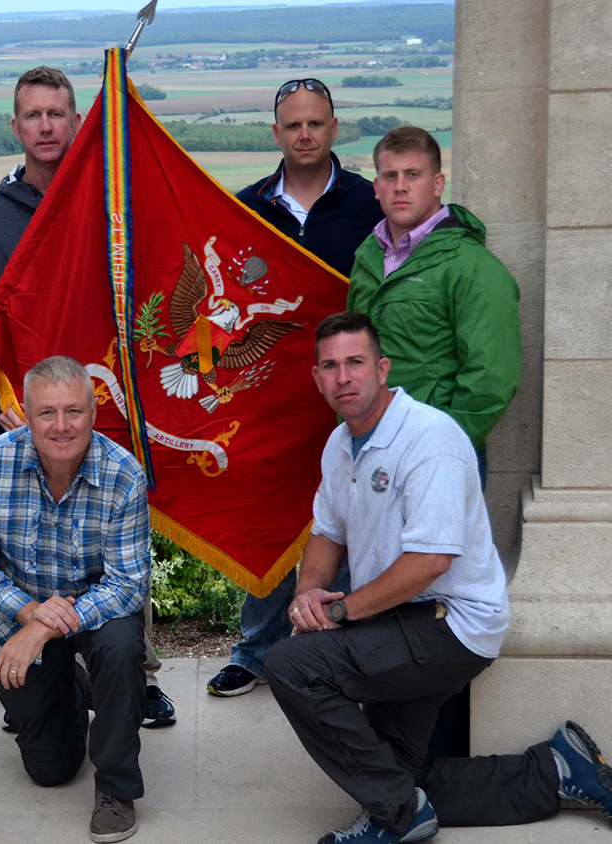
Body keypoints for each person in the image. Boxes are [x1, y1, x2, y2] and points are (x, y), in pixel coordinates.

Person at [266, 313, 612, 844]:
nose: (343, 376)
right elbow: (326, 533)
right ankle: (557, 771)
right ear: (317, 378)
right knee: (394, 778)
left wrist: (340, 614)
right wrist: (307, 594)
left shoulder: (428, 437)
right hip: (399, 620)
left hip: (451, 625)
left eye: (355, 362)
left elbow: (430, 562)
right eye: (330, 366)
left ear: (382, 368)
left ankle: (398, 812)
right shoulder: (339, 444)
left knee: (290, 664)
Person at [0, 66, 176, 729]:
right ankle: (25, 675)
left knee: (119, 550)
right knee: (26, 547)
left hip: (107, 402)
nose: (47, 126)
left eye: (58, 113)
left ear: (78, 122)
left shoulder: (109, 200)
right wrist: (0, 396)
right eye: (34, 115)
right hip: (31, 416)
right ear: (16, 127)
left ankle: (135, 676)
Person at [346, 125, 523, 754]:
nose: (400, 187)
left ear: (438, 182)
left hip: (434, 461)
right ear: (376, 183)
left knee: (432, 600)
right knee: (382, 591)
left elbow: (492, 377)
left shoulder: (471, 267)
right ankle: (394, 752)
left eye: (412, 175)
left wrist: (439, 449)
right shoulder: (371, 256)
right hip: (372, 456)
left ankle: (438, 757)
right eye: (389, 176)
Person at [207, 77, 386, 699]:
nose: (305, 134)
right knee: (270, 516)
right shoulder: (245, 208)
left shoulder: (371, 204)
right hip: (268, 396)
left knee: (357, 514)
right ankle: (255, 649)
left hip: (352, 391)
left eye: (316, 123)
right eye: (293, 125)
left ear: (335, 129)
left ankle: (345, 644)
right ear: (275, 133)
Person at [0, 356, 150, 843]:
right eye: (46, 413)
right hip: (25, 610)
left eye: (74, 411)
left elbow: (128, 583)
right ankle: (73, 683)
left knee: (122, 648)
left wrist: (41, 627)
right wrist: (27, 612)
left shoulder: (124, 472)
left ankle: (117, 788)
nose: (61, 426)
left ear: (94, 413)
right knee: (51, 769)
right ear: (29, 413)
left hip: (99, 613)